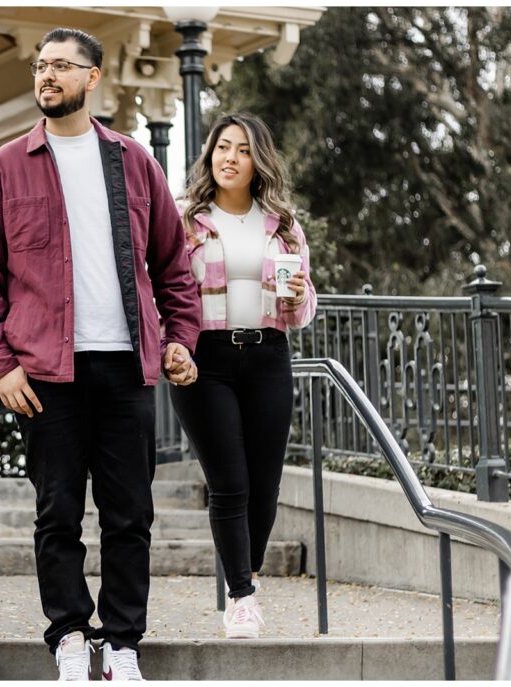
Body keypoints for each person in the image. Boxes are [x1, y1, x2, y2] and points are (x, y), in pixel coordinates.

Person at [0, 27, 200, 681]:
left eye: (62, 66)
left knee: (131, 514)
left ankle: (122, 643)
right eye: (41, 66)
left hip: (125, 365)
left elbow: (174, 267)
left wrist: (180, 338)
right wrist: (0, 363)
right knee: (57, 512)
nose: (47, 76)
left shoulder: (134, 162)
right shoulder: (5, 169)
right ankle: (70, 635)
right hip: (45, 372)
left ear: (93, 78)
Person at [170, 113, 317, 639]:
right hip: (205, 360)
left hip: (268, 356)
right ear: (210, 155)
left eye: (243, 150)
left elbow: (302, 307)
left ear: (259, 162)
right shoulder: (184, 218)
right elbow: (163, 288)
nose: (229, 157)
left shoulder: (283, 222)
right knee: (230, 483)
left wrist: (300, 299)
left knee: (266, 485)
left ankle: (245, 573)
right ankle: (241, 597)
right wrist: (172, 346)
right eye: (221, 147)